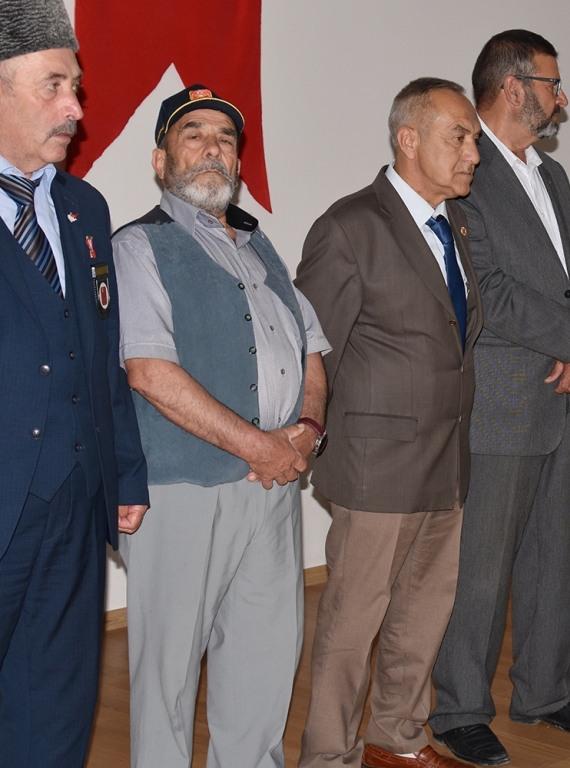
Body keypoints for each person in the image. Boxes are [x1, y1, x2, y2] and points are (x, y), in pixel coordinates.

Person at [113, 84, 329, 768]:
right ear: (161, 160)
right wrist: (260, 446)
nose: (213, 148)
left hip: (272, 486)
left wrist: (308, 429)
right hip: (185, 491)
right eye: (194, 134)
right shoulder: (138, 246)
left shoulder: (262, 247)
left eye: (225, 139)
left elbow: (311, 351)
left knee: (266, 659)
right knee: (168, 676)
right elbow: (149, 372)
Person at [428, 30, 570, 767]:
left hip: (566, 392)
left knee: (555, 560)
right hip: (504, 403)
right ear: (513, 87)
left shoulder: (554, 173)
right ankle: (459, 710)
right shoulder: (467, 170)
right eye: (552, 83)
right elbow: (485, 288)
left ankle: (544, 691)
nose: (561, 97)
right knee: (480, 569)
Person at [296, 77, 483, 768]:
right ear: (408, 140)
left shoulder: (455, 223)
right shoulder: (350, 227)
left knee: (424, 611)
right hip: (376, 466)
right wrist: (307, 437)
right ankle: (329, 755)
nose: (473, 153)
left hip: (447, 458)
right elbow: (313, 349)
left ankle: (398, 738)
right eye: (458, 137)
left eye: (473, 139)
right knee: (352, 623)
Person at [0, 2, 149, 765]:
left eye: (76, 87)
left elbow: (102, 354)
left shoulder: (85, 208)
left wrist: (124, 471)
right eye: (54, 86)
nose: (76, 109)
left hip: (74, 502)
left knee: (56, 704)